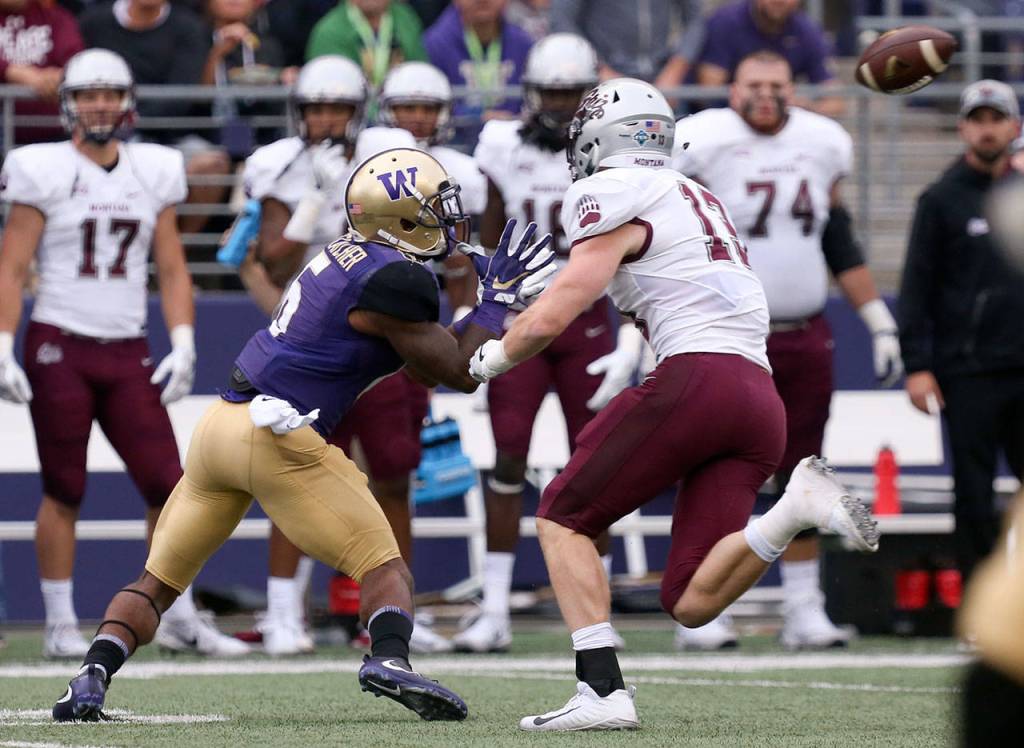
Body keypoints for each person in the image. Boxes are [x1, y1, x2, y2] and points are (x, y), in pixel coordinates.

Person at [48, 146, 556, 723]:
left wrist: (478, 316)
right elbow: (459, 372)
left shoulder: (343, 255)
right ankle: (390, 659)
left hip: (220, 429)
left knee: (156, 583)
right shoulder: (396, 279)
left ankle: (90, 674)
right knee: (386, 568)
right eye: (434, 209)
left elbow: (424, 358)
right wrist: (495, 305)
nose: (447, 221)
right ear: (401, 217)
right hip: (279, 438)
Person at [466, 77, 879, 731]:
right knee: (689, 599)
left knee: (561, 517)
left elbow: (556, 314)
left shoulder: (612, 190)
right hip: (757, 400)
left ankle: (601, 692)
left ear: (602, 138)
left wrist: (489, 358)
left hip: (699, 379)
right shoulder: (697, 194)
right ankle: (792, 509)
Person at [0, 48, 247, 659]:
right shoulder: (42, 168)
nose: (101, 105)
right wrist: (3, 344)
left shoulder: (152, 169)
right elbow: (12, 265)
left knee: (170, 484)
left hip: (127, 346)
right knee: (65, 487)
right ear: (68, 105)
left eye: (111, 94)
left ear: (128, 101)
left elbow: (170, 265)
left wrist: (184, 340)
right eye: (89, 95)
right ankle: (60, 624)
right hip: (60, 341)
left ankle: (179, 613)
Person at [671, 50, 902, 651]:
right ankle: (705, 603)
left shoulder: (823, 142)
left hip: (804, 330)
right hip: (724, 334)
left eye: (777, 84)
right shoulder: (700, 141)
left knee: (805, 468)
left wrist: (877, 320)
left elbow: (835, 236)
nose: (765, 95)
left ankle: (804, 608)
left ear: (794, 88)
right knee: (717, 467)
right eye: (754, 84)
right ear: (732, 88)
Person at [454, 33, 641, 653]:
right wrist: (482, 298)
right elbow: (486, 225)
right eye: (552, 94)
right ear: (532, 94)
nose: (561, 107)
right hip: (521, 316)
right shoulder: (502, 145)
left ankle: (600, 608)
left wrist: (633, 329)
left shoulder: (613, 148)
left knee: (596, 462)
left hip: (586, 320)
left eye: (571, 95)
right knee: (507, 458)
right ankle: (496, 608)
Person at [899, 79, 1024, 585]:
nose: (988, 128)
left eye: (997, 119)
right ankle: (979, 607)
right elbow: (916, 287)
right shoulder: (941, 200)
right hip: (967, 371)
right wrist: (917, 365)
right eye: (979, 119)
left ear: (1014, 127)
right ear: (963, 128)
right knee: (972, 493)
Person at [79, 0, 230, 235]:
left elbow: (182, 94)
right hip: (109, 135)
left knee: (212, 164)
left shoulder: (189, 26)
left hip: (172, 136)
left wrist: (134, 117)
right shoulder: (94, 23)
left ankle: (179, 250)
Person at [696, 0, 844, 117]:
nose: (779, 1)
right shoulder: (726, 22)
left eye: (775, 86)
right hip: (722, 117)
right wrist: (753, 106)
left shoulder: (808, 31)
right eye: (755, 85)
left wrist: (803, 109)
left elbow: (836, 101)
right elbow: (709, 91)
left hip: (780, 121)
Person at [423, 0, 533, 142]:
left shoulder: (524, 43)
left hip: (513, 143)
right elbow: (427, 105)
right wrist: (476, 116)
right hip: (453, 144)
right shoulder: (433, 45)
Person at [550, 0, 704, 88]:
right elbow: (561, 20)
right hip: (602, 81)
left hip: (662, 78)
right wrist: (598, 67)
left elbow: (696, 19)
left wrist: (675, 70)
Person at [0, 0, 84, 145]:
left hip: (52, 135)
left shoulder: (56, 17)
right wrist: (17, 73)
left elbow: (77, 63)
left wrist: (60, 77)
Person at [306, 0, 427, 89]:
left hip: (402, 113)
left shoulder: (406, 19)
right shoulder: (329, 32)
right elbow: (337, 92)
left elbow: (420, 74)